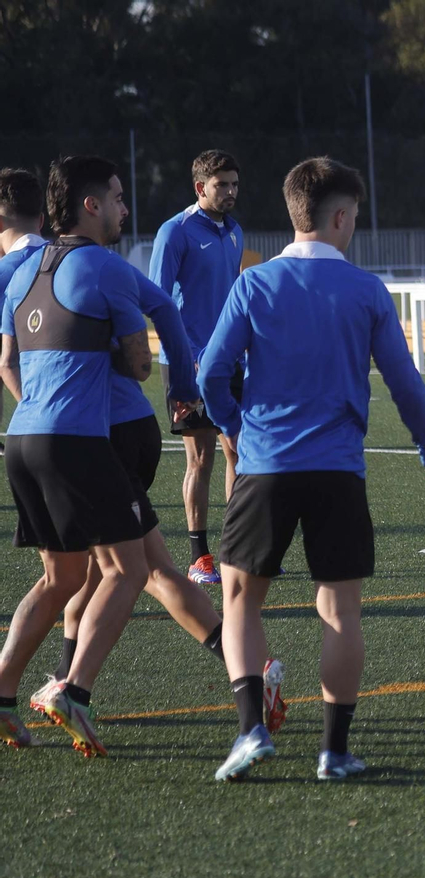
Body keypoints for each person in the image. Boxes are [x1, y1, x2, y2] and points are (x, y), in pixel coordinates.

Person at [203, 157, 425, 781]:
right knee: (340, 610)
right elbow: (405, 383)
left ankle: (251, 730)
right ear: (341, 217)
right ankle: (334, 752)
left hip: (264, 466)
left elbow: (210, 375)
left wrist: (236, 428)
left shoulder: (254, 284)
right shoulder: (365, 290)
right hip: (339, 469)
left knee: (240, 601)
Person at [27, 264, 289, 735]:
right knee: (133, 570)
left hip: (102, 433)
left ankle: (72, 687)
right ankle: (254, 670)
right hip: (103, 431)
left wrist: (182, 388)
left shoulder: (49, 267)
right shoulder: (72, 267)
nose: (123, 207)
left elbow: (165, 308)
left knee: (111, 570)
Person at [0, 157, 154, 755]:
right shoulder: (104, 267)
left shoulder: (21, 271)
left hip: (22, 438)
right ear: (90, 205)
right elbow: (140, 364)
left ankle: (4, 692)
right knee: (128, 570)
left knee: (61, 576)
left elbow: (9, 360)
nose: (122, 208)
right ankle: (75, 691)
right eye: (116, 198)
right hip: (76, 441)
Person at [149, 150, 245, 586]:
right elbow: (157, 299)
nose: (229, 192)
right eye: (220, 184)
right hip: (188, 364)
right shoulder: (175, 232)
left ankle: (236, 550)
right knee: (201, 458)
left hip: (231, 361)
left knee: (240, 452)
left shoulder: (235, 231)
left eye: (234, 184)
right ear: (199, 187)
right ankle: (198, 556)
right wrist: (189, 354)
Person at [0, 168, 49, 456]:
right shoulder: (77, 260)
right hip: (97, 418)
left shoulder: (5, 274)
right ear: (41, 220)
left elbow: (6, 362)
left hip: (35, 424)